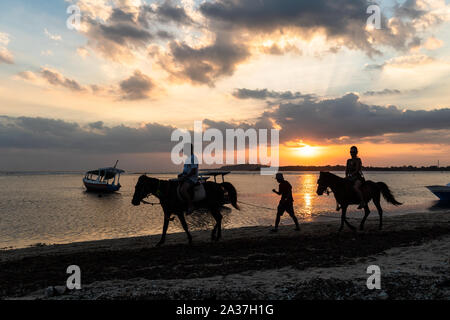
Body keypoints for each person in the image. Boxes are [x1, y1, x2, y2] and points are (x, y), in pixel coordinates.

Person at [178, 143, 199, 215]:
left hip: (192, 179)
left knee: (183, 190)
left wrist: (185, 177)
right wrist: (182, 174)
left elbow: (194, 171)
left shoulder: (193, 158)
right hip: (186, 178)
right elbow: (187, 170)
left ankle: (191, 206)